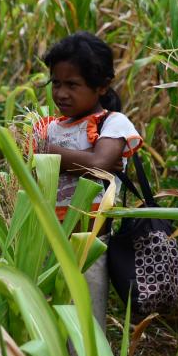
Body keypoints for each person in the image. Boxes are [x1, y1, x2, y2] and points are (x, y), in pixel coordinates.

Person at [33, 31, 142, 327]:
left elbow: (99, 164)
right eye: (56, 83)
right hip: (48, 240)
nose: (61, 93)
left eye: (73, 85)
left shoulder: (112, 123)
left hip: (90, 245)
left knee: (86, 321)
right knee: (49, 317)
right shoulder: (49, 127)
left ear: (102, 87)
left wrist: (43, 152)